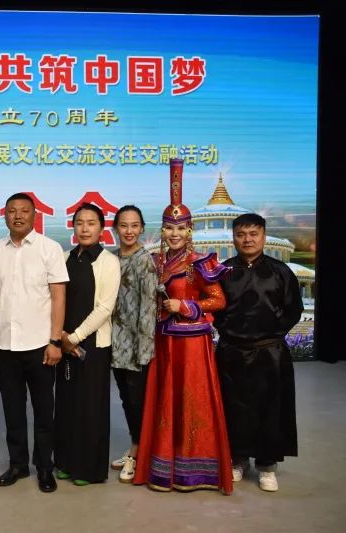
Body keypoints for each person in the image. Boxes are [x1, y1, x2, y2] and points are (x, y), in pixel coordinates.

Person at [133, 159, 233, 494]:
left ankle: (194, 470)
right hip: (164, 343)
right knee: (165, 402)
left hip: (191, 346)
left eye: (180, 228)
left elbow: (218, 300)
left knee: (190, 402)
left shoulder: (200, 262)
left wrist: (186, 306)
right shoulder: (157, 261)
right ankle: (163, 468)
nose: (174, 234)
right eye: (168, 228)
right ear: (162, 230)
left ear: (189, 230)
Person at [213, 213, 303, 492]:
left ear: (263, 236)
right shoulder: (223, 271)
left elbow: (293, 310)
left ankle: (267, 465)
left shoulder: (281, 271)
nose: (247, 240)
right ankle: (238, 460)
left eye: (253, 234)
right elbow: (215, 309)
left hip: (269, 352)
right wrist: (231, 332)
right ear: (233, 238)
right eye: (241, 234)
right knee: (233, 407)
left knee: (270, 408)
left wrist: (270, 334)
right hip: (231, 351)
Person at [0, 192, 68, 493]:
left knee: (44, 410)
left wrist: (55, 340)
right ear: (5, 216)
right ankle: (17, 464)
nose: (18, 216)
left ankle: (45, 467)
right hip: (4, 345)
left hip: (40, 345)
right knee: (13, 410)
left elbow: (58, 297)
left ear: (35, 215)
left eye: (24, 211)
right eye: (12, 211)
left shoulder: (49, 248)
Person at [55, 203, 121, 486]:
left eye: (91, 223)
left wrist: (74, 337)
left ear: (102, 228)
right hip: (63, 342)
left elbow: (105, 308)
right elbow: (54, 299)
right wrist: (60, 335)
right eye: (79, 223)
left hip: (93, 345)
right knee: (67, 405)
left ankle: (88, 469)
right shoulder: (65, 258)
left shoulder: (108, 262)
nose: (84, 228)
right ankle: (66, 462)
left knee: (90, 407)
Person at [109, 205, 157, 483]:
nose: (129, 231)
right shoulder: (112, 259)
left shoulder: (145, 261)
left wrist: (144, 351)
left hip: (137, 348)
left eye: (134, 225)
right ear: (115, 228)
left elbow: (149, 308)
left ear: (141, 229)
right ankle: (135, 446)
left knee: (138, 402)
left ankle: (138, 453)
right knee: (127, 400)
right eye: (124, 225)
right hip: (115, 345)